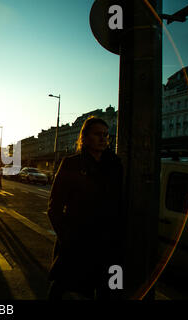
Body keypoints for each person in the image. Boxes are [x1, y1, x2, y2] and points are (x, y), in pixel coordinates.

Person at [47, 116, 124, 300]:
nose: (103, 138)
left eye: (106, 135)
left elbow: (121, 203)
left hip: (108, 247)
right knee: (68, 291)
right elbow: (54, 207)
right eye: (98, 134)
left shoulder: (115, 165)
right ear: (85, 137)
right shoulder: (71, 164)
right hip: (77, 246)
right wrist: (68, 237)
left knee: (112, 292)